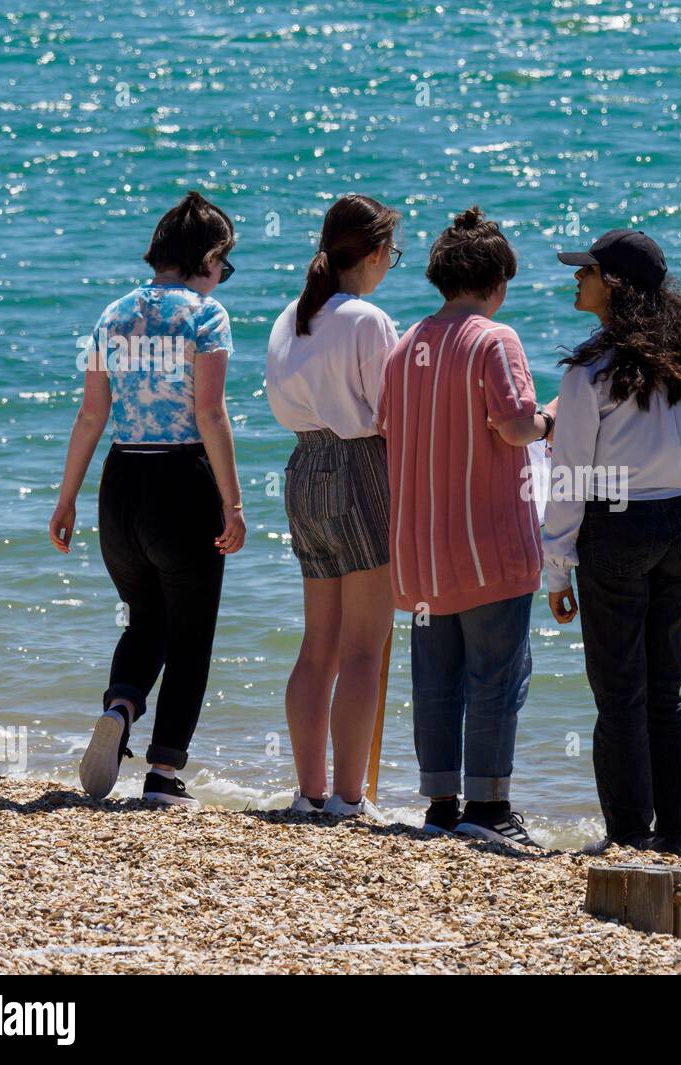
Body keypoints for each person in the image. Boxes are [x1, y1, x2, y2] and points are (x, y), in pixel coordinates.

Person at [50, 190, 244, 808]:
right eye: (225, 264)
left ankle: (121, 706)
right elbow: (210, 415)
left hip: (120, 483)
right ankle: (163, 772)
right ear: (209, 256)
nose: (223, 277)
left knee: (145, 617)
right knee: (190, 633)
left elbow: (89, 415)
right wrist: (235, 505)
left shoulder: (112, 314)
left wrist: (66, 500)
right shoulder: (205, 317)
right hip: (182, 482)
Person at [378, 206, 555, 848]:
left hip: (420, 553)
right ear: (497, 282)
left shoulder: (404, 348)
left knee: (436, 676)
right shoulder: (494, 340)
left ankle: (441, 803)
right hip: (488, 548)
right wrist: (552, 422)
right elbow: (514, 426)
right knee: (496, 675)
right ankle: (490, 805)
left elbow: (386, 428)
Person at [545, 228, 681, 859]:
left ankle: (627, 836)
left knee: (619, 694)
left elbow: (569, 478)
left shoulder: (590, 372)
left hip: (615, 528)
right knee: (664, 692)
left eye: (585, 270)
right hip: (675, 525)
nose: (576, 278)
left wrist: (556, 569)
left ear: (612, 284)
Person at [266, 193, 400, 818]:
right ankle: (349, 797)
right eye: (391, 254)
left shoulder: (291, 315)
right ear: (374, 254)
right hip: (359, 466)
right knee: (364, 648)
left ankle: (308, 791)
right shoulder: (366, 319)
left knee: (316, 645)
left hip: (302, 468)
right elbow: (389, 415)